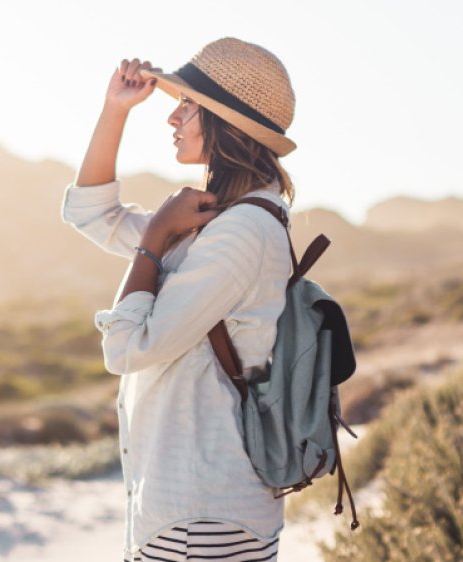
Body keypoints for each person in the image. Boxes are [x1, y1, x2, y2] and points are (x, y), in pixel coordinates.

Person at [60, 37, 297, 562]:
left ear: (227, 122)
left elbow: (127, 348)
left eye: (189, 107)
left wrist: (156, 235)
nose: (174, 118)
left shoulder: (243, 232)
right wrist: (114, 110)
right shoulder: (216, 220)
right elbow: (92, 215)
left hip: (204, 516)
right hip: (190, 513)